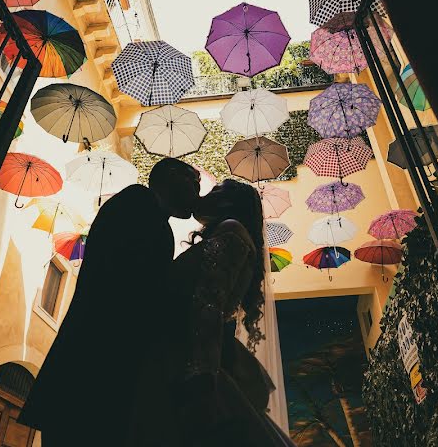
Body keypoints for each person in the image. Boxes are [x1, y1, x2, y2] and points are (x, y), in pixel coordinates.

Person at [18, 157, 201, 446]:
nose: (197, 192)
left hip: (102, 361)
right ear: (170, 176)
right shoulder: (137, 204)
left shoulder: (151, 216)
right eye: (194, 182)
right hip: (97, 362)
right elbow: (137, 286)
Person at [127, 180, 296, 446]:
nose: (203, 195)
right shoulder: (229, 233)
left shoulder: (231, 231)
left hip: (186, 355)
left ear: (228, 203)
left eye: (215, 191)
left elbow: (208, 304)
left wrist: (200, 374)